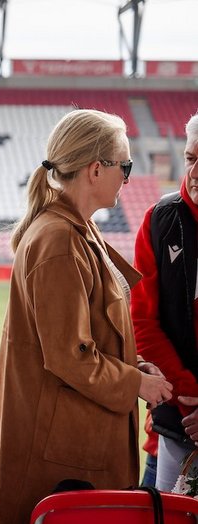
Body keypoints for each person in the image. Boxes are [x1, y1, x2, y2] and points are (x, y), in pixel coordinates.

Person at [0, 108, 172, 524]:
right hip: (63, 460)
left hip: (72, 447)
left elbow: (88, 338)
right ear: (95, 170)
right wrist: (137, 384)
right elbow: (70, 356)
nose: (127, 178)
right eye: (124, 167)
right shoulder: (59, 239)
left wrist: (133, 366)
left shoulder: (73, 230)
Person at [131, 110, 198, 491]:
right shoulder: (160, 219)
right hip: (171, 431)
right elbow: (141, 322)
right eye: (190, 158)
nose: (195, 172)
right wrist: (189, 395)